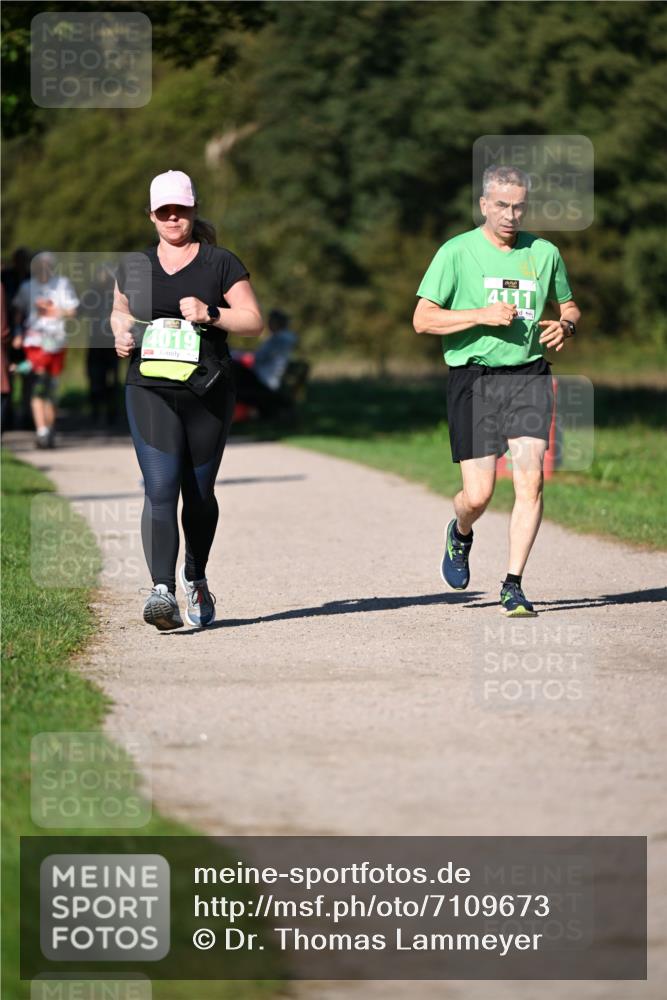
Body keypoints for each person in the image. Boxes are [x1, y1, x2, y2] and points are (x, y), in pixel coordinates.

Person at [413, 164, 581, 617]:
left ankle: (513, 585)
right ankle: (461, 532)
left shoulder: (544, 252)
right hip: (475, 378)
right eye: (502, 205)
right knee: (479, 495)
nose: (510, 215)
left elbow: (569, 304)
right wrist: (479, 315)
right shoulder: (456, 252)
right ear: (484, 205)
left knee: (531, 482)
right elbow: (423, 319)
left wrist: (566, 325)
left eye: (519, 206)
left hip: (528, 376)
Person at [112, 169, 263, 631]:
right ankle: (161, 591)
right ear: (151, 215)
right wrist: (120, 330)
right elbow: (119, 311)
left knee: (198, 496)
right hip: (150, 389)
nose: (172, 218)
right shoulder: (135, 265)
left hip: (208, 392)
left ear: (193, 210)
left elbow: (253, 320)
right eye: (164, 211)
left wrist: (210, 313)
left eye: (180, 209)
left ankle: (194, 577)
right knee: (159, 490)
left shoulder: (221, 263)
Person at [12, 251, 79, 448]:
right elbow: (18, 310)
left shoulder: (62, 284)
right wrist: (17, 332)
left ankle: (48, 429)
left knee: (51, 388)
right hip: (35, 341)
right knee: (38, 384)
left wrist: (55, 311)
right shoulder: (27, 287)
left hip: (56, 341)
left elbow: (73, 310)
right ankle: (41, 430)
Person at [231, 308, 298, 418]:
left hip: (266, 380)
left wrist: (236, 354)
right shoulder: (285, 338)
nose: (269, 324)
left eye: (271, 321)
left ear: (277, 322)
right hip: (268, 379)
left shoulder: (278, 339)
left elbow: (259, 357)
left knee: (233, 368)